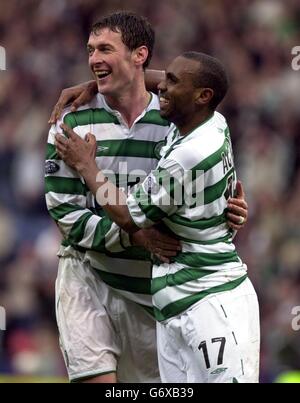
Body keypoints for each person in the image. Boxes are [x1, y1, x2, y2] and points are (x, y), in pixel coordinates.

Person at [46, 11, 248, 383]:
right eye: (90, 50)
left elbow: (189, 191)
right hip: (88, 273)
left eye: (105, 49)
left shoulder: (175, 117)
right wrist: (134, 235)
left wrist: (224, 210)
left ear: (139, 55)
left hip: (150, 285)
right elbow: (65, 212)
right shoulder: (71, 120)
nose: (93, 59)